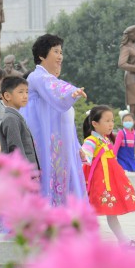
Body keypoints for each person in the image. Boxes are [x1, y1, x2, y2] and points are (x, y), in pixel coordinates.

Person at [22, 34, 87, 207]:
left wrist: (77, 145)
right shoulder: (36, 78)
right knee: (47, 187)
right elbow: (55, 88)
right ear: (42, 55)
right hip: (45, 147)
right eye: (56, 51)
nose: (60, 56)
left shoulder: (51, 84)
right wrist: (70, 91)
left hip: (61, 149)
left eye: (61, 52)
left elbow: (65, 121)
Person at [81, 105, 135, 248]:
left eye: (112, 121)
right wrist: (83, 155)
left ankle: (123, 241)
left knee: (111, 212)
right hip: (100, 182)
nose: (111, 124)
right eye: (107, 121)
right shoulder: (92, 140)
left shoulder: (105, 139)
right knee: (93, 212)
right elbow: (87, 154)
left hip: (110, 180)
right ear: (95, 123)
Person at [0, 75, 40, 171]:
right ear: (7, 96)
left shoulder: (16, 117)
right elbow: (16, 150)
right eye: (20, 92)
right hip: (23, 175)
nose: (25, 96)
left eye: (26, 92)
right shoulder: (11, 119)